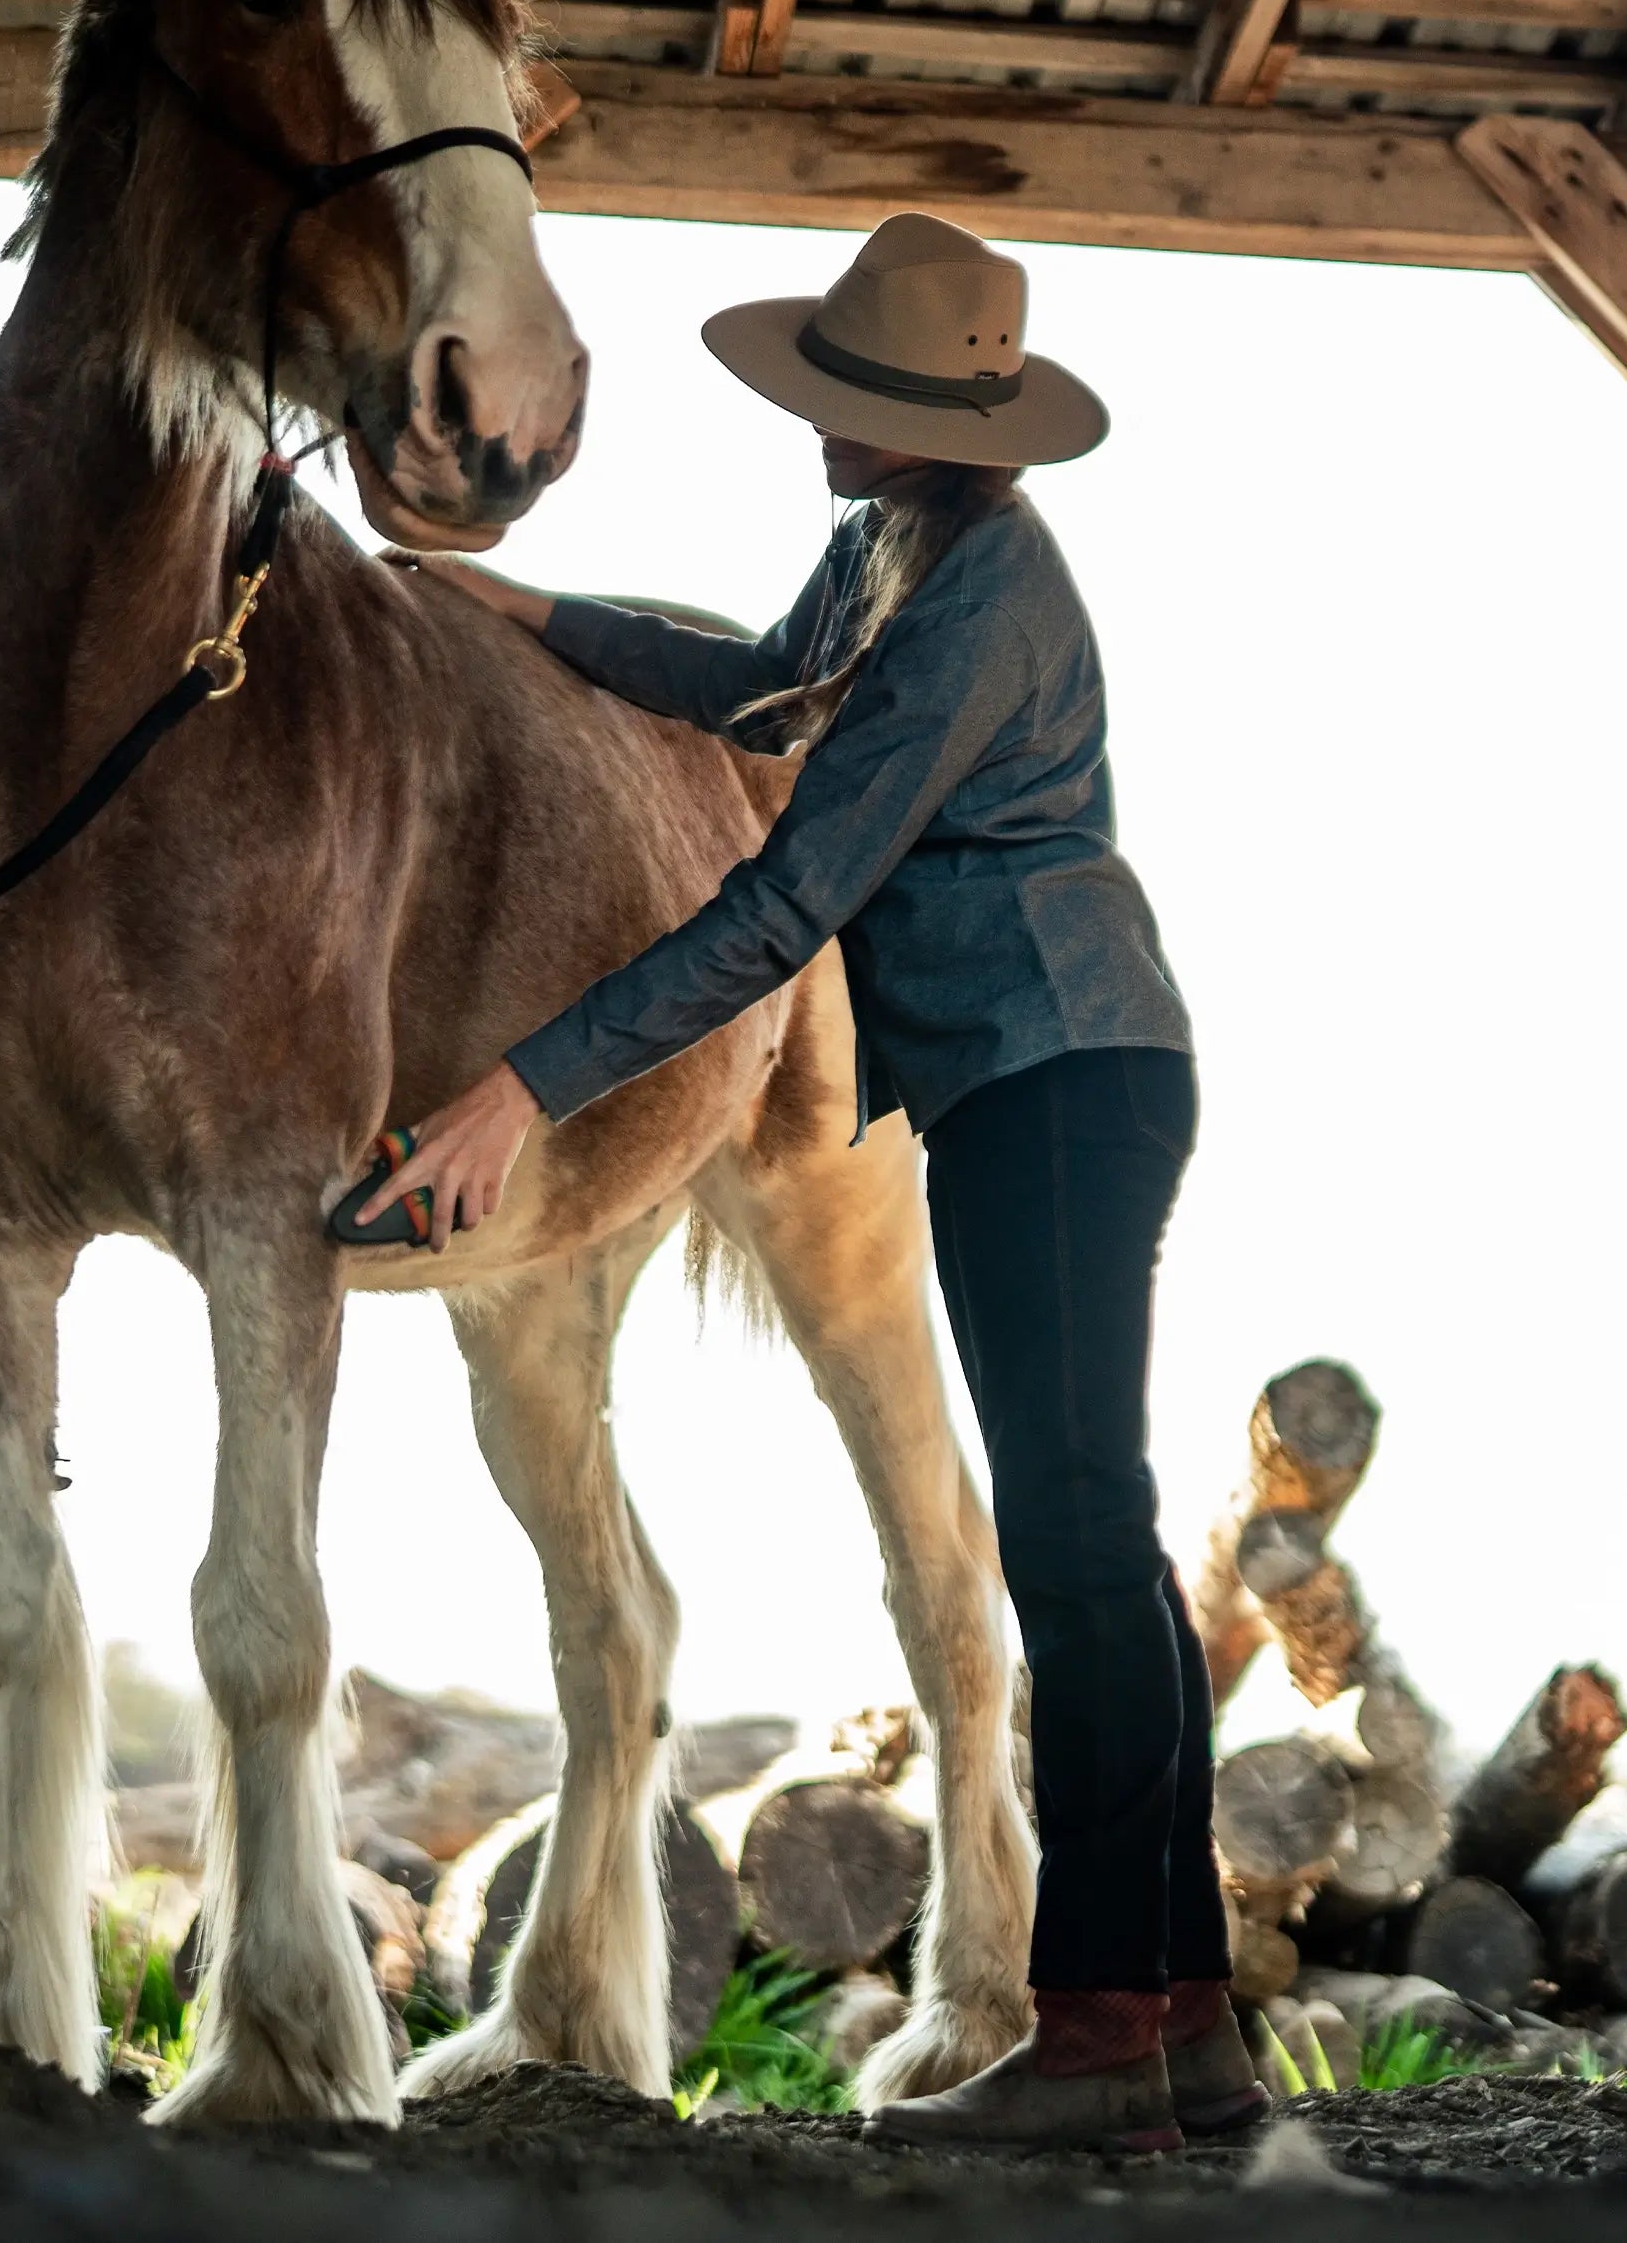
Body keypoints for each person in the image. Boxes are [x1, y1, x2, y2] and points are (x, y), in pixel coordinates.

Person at [365, 212, 1264, 2153]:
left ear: (937, 423)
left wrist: (520, 1084)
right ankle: (1177, 2015)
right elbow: (753, 684)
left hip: (1059, 1069)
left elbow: (785, 897)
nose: (815, 433)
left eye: (843, 405)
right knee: (1087, 1534)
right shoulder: (894, 544)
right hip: (1033, 1073)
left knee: (1077, 1542)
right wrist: (526, 616)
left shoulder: (981, 593)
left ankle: (1095, 2021)